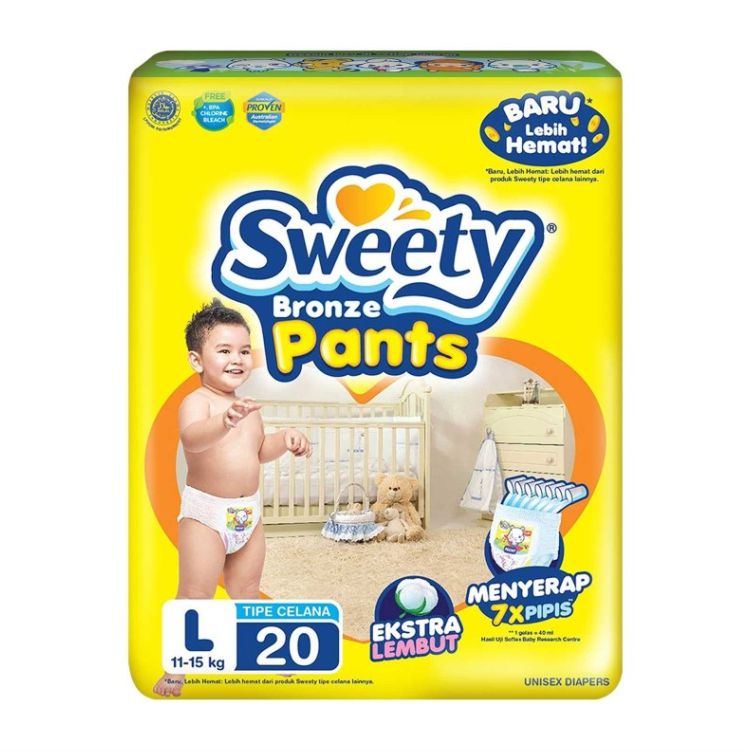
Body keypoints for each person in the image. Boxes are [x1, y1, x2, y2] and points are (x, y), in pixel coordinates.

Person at [153, 299, 311, 696]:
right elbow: (192, 438)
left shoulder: (249, 409)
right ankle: (176, 667)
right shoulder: (198, 402)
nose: (237, 359)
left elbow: (258, 451)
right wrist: (223, 421)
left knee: (247, 589)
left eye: (243, 350)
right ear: (197, 360)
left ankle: (271, 653)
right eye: (224, 350)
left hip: (247, 514)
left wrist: (284, 439)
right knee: (196, 594)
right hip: (206, 515)